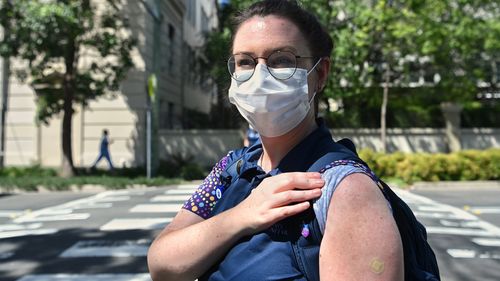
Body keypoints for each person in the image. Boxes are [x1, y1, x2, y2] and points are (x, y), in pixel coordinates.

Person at [147, 1, 403, 280]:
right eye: (245, 61)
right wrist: (243, 215)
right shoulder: (231, 169)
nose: (260, 76)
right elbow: (162, 263)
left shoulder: (347, 190)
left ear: (320, 74)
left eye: (282, 59)